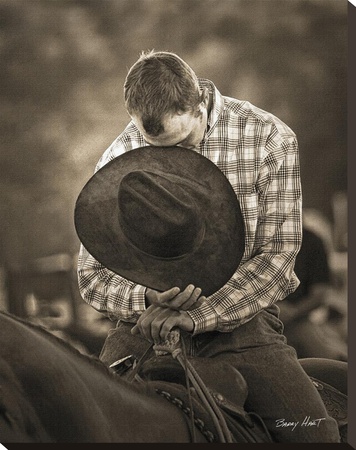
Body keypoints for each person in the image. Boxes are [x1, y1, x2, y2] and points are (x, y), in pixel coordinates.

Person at [76, 50, 340, 442]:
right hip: (143, 329)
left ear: (199, 102)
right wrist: (146, 299)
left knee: (314, 436)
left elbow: (278, 262)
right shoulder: (120, 154)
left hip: (243, 327)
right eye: (158, 147)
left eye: (182, 142)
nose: (175, 160)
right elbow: (91, 275)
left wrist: (197, 315)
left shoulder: (269, 139)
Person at [279, 225, 347, 361]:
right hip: (258, 318)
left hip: (296, 320)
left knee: (329, 359)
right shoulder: (253, 237)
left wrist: (293, 311)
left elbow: (320, 293)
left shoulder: (312, 240)